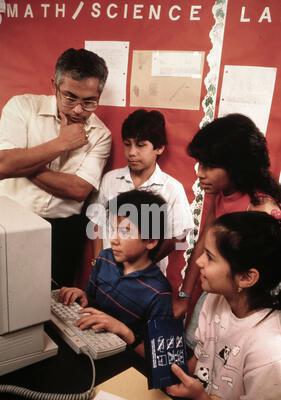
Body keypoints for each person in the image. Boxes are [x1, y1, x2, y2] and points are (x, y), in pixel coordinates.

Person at [167, 211, 281, 400]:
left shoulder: (270, 353)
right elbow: (199, 362)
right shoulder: (213, 299)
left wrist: (201, 398)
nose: (198, 262)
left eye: (209, 257)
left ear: (247, 277)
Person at [0, 48, 112, 286]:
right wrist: (61, 144)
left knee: (50, 306)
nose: (78, 110)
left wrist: (24, 161)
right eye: (70, 97)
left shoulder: (101, 134)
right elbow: (3, 165)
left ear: (99, 95)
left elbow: (78, 190)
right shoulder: (22, 107)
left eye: (89, 101)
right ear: (55, 86)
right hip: (8, 222)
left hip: (62, 233)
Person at [173, 113, 281, 337]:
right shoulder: (221, 191)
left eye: (209, 166)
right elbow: (203, 241)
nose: (200, 174)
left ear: (237, 166)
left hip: (242, 312)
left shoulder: (261, 211)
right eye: (200, 164)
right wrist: (185, 296)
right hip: (214, 290)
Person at [59, 189, 174, 356]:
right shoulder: (105, 258)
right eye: (113, 229)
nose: (113, 239)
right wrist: (82, 296)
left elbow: (160, 357)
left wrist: (123, 331)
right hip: (92, 345)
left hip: (125, 362)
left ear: (151, 241)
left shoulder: (159, 292)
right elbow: (91, 302)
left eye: (125, 231)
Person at [90, 108, 193, 275]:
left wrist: (143, 266)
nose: (132, 152)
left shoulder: (171, 188)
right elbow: (97, 224)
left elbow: (177, 236)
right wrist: (98, 263)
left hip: (147, 278)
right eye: (127, 144)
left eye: (140, 145)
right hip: (108, 272)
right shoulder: (110, 180)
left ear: (159, 148)